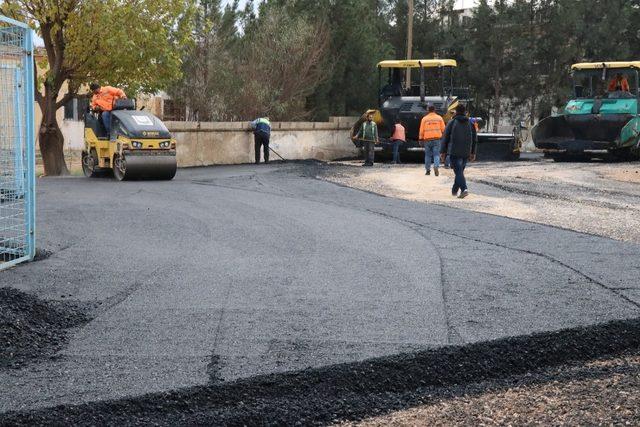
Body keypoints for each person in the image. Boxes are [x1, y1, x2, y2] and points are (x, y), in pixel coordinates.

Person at [441, 103, 477, 199]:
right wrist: (473, 152)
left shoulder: (452, 122)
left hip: (454, 151)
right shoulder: (471, 123)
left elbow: (445, 138)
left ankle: (464, 189)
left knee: (458, 171)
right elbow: (474, 139)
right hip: (466, 151)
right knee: (459, 171)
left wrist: (443, 152)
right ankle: (454, 191)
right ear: (465, 112)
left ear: (456, 111)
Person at [418, 104, 445, 176]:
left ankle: (427, 171)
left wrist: (420, 139)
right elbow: (443, 129)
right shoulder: (439, 118)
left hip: (427, 140)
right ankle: (436, 166)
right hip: (437, 139)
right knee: (436, 154)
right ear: (434, 110)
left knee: (427, 155)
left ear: (428, 110)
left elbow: (421, 130)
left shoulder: (424, 119)